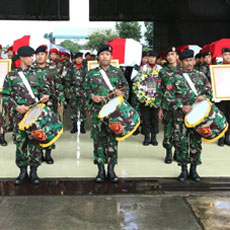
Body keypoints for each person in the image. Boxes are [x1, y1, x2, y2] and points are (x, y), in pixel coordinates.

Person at [2, 46, 49, 185]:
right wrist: (16, 106)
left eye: (32, 56)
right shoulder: (11, 76)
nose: (32, 59)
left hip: (35, 115)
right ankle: (22, 172)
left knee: (35, 143)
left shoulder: (38, 73)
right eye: (29, 56)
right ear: (21, 57)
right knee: (21, 143)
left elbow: (44, 91)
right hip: (19, 116)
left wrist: (44, 97)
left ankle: (34, 172)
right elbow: (5, 96)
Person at [83, 44, 129, 183]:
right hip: (98, 113)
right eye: (102, 54)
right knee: (98, 141)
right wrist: (92, 96)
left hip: (114, 113)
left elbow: (126, 88)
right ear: (98, 57)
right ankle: (100, 170)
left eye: (107, 54)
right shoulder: (91, 74)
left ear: (111, 57)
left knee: (113, 140)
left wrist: (122, 93)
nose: (105, 56)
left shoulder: (117, 72)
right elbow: (83, 90)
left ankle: (111, 169)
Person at [165, 49, 212, 182]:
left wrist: (204, 96)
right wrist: (181, 106)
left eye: (191, 60)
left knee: (196, 143)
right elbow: (168, 97)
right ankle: (183, 170)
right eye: (186, 61)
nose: (189, 63)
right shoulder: (173, 77)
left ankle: (194, 169)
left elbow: (209, 91)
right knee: (181, 143)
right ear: (181, 61)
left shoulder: (201, 75)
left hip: (198, 117)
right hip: (181, 118)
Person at [33, 45, 66, 164]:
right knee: (37, 128)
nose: (40, 56)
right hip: (35, 104)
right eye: (38, 55)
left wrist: (62, 100)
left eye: (42, 54)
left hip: (50, 103)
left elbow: (59, 86)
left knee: (49, 128)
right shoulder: (31, 69)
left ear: (46, 56)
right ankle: (38, 153)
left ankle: (48, 154)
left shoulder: (52, 69)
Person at [155, 46, 180, 163]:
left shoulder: (183, 70)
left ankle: (177, 152)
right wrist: (159, 108)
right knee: (168, 131)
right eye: (168, 55)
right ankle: (168, 152)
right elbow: (159, 90)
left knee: (180, 131)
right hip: (167, 107)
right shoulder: (163, 71)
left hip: (181, 107)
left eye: (172, 54)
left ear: (177, 56)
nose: (170, 57)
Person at [138, 50, 161, 146]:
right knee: (146, 117)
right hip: (145, 95)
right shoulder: (143, 68)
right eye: (149, 57)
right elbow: (138, 82)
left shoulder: (160, 69)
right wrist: (142, 94)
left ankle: (154, 136)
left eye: (153, 57)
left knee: (155, 117)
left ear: (156, 59)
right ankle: (146, 136)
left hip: (156, 96)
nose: (151, 59)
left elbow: (162, 83)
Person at [66, 52, 87, 134]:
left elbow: (88, 80)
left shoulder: (85, 68)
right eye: (77, 58)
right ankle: (74, 126)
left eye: (80, 58)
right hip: (73, 91)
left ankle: (82, 126)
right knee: (73, 109)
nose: (79, 60)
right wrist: (68, 91)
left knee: (83, 109)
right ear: (74, 59)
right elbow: (67, 80)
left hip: (83, 91)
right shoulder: (71, 68)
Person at [216, 48, 230, 147]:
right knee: (221, 117)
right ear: (222, 55)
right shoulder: (217, 68)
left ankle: (227, 137)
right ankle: (220, 137)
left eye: (229, 55)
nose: (227, 57)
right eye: (225, 55)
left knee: (229, 117)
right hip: (221, 97)